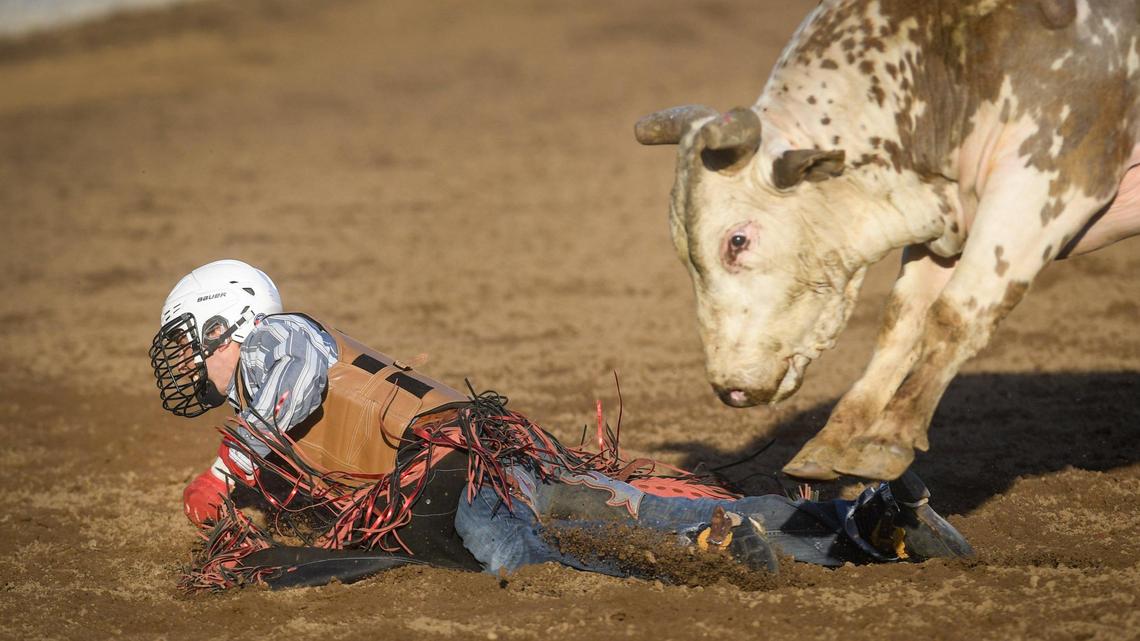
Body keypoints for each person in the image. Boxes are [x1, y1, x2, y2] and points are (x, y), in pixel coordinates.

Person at [150, 259, 973, 591]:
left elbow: (290, 385)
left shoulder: (274, 341)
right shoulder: (267, 393)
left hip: (449, 470)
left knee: (528, 562)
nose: (194, 368)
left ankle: (704, 557)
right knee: (638, 509)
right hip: (477, 456)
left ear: (231, 321)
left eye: (193, 346)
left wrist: (226, 472)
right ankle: (864, 524)